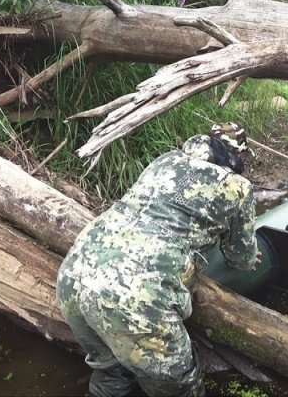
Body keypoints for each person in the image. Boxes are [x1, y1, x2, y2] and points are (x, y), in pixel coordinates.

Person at [57, 123, 259, 397]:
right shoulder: (237, 187)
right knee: (181, 388)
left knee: (112, 370)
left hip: (74, 274)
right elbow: (241, 258)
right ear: (237, 156)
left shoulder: (166, 161)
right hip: (136, 296)